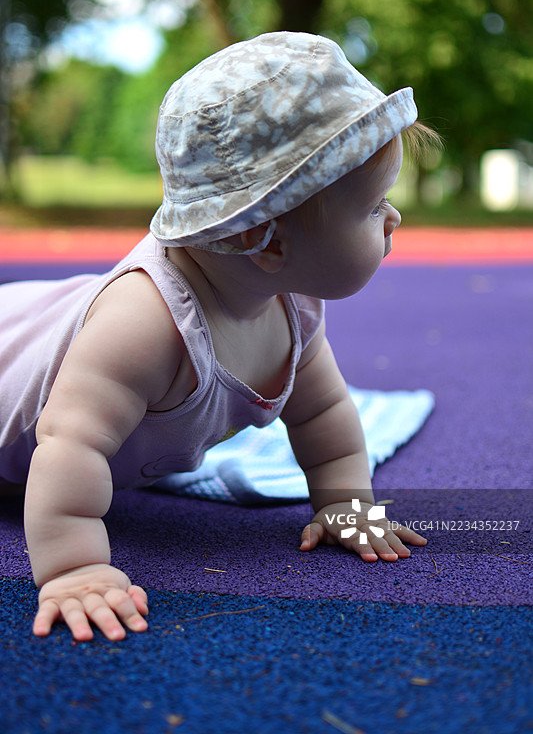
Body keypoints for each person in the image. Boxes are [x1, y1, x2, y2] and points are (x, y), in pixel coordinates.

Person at [0, 32, 436, 643]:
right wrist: (73, 569)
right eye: (372, 206)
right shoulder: (145, 325)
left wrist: (344, 504)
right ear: (270, 242)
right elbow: (70, 445)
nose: (394, 219)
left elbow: (326, 415)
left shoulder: (293, 308)